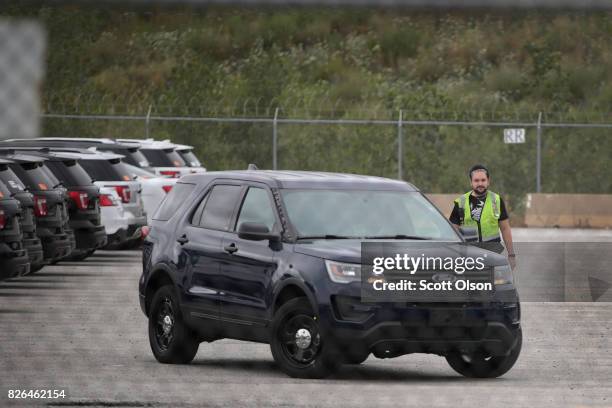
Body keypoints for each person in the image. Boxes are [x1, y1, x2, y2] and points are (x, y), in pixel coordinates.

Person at [449, 164, 516, 265]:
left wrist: (511, 255)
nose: (480, 183)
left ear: (488, 181)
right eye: (476, 180)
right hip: (469, 257)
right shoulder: (461, 202)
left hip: (492, 254)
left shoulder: (496, 200)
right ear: (471, 182)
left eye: (483, 180)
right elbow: (452, 231)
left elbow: (505, 228)